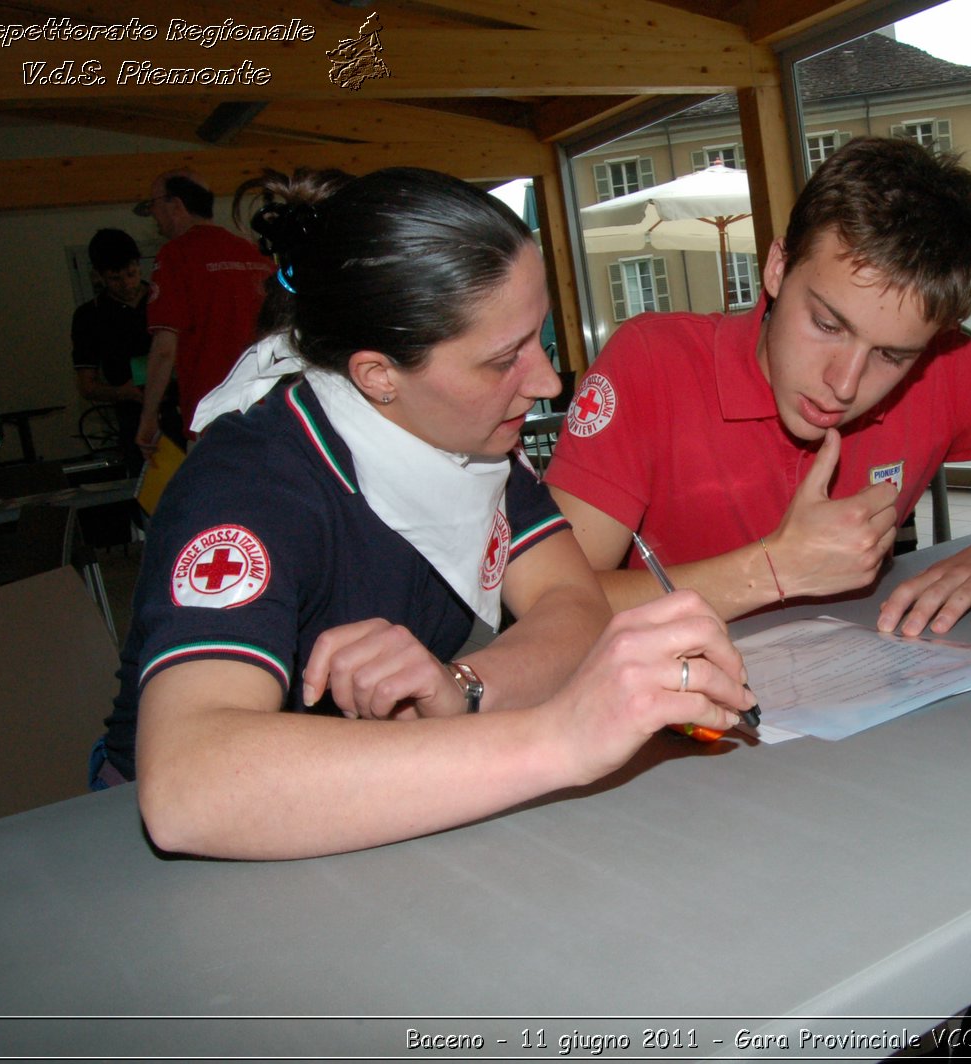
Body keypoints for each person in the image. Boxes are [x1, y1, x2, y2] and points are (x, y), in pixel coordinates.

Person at [544, 137, 971, 1060]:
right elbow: (547, 609)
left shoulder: (948, 366)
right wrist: (774, 568)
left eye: (892, 355)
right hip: (693, 788)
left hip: (872, 749)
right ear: (774, 266)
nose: (846, 383)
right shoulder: (650, 364)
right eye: (827, 323)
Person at [95, 167, 753, 862]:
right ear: (378, 375)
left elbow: (573, 604)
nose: (547, 380)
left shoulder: (470, 442)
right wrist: (560, 739)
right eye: (503, 360)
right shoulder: (249, 485)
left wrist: (464, 688)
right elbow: (188, 790)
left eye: (538, 336)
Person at [133, 170, 271, 454]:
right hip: (271, 417)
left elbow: (164, 349)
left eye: (154, 205)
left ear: (175, 205)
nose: (154, 217)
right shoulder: (253, 253)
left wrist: (148, 418)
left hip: (214, 422)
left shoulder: (176, 256)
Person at [70, 229, 151, 475]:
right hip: (133, 418)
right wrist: (122, 392)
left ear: (139, 265)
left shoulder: (164, 298)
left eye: (131, 274)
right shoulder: (90, 316)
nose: (127, 284)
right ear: (98, 276)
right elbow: (87, 386)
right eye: (116, 278)